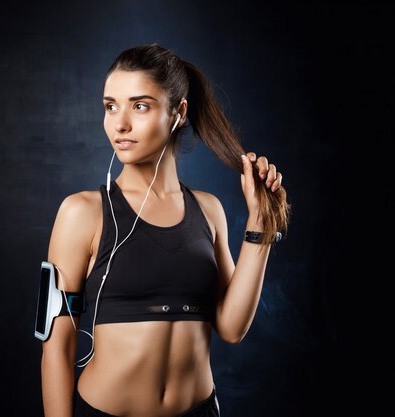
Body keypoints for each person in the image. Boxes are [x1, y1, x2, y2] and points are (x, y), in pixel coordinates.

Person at [39, 43, 291, 417]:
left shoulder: (209, 210)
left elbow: (232, 328)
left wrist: (261, 226)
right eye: (111, 106)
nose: (120, 123)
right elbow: (56, 349)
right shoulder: (82, 213)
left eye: (139, 106)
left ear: (179, 113)